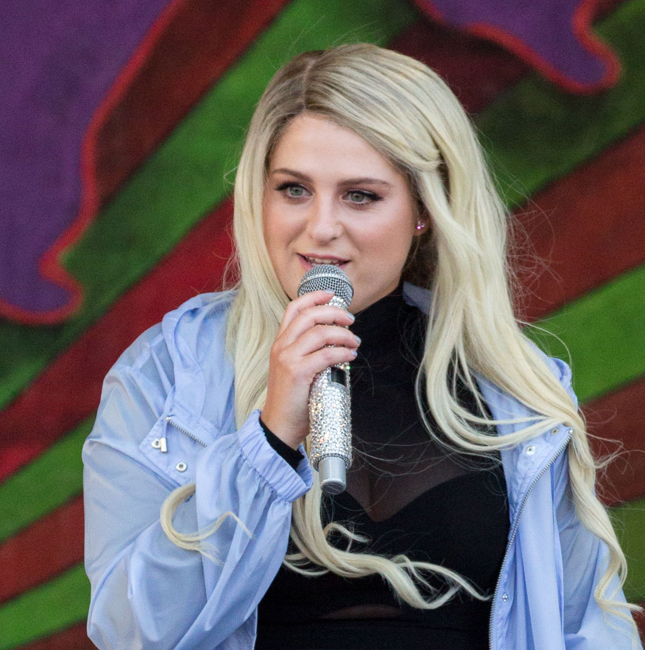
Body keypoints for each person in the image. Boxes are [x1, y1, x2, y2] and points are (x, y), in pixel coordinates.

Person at [83, 43, 642, 649]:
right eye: (294, 189)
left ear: (425, 208)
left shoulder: (513, 389)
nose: (321, 227)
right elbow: (128, 631)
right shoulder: (169, 373)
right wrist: (268, 441)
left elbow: (585, 626)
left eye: (360, 195)